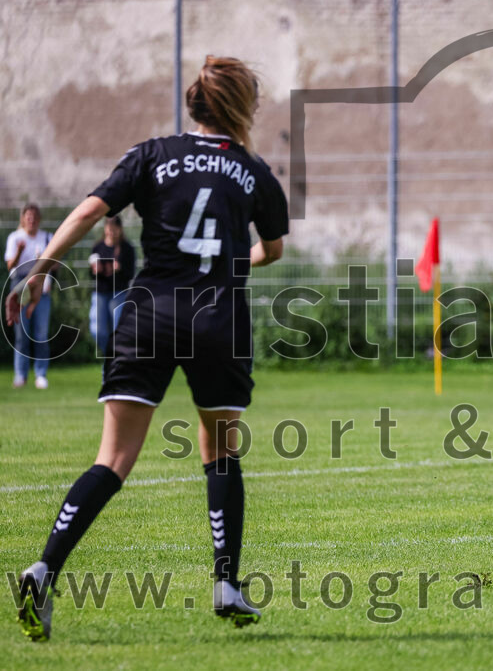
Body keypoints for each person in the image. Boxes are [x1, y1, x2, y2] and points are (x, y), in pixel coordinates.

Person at [6, 56, 288, 641]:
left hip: (148, 313)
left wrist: (40, 270)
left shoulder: (153, 154)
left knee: (112, 459)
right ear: (238, 108)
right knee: (220, 450)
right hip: (217, 318)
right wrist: (232, 265)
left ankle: (44, 568)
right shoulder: (254, 171)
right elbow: (275, 249)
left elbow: (89, 209)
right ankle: (226, 583)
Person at [5, 203, 54, 389]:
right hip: (20, 291)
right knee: (21, 335)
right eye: (28, 216)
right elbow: (10, 266)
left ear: (38, 219)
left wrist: (44, 260)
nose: (31, 220)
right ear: (23, 219)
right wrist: (19, 251)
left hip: (42, 291)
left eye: (34, 217)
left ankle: (40, 375)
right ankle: (21, 375)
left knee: (41, 334)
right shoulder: (15, 238)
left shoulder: (47, 237)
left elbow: (55, 265)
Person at [88, 216, 136, 355]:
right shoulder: (98, 247)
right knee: (98, 330)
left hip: (119, 293)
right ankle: (109, 355)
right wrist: (95, 271)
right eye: (110, 229)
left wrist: (120, 268)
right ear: (105, 229)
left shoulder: (127, 249)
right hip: (100, 293)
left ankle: (115, 360)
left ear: (120, 230)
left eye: (115, 230)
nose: (112, 233)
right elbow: (91, 275)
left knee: (117, 330)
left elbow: (131, 274)